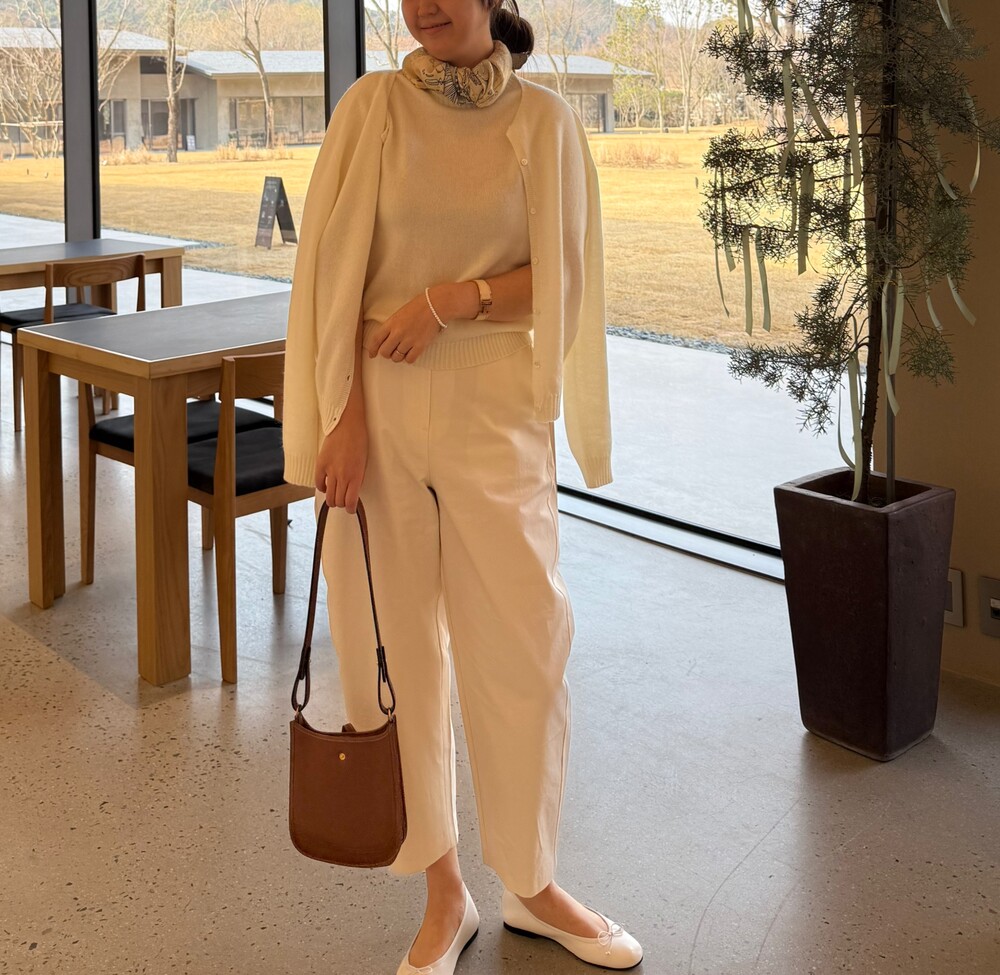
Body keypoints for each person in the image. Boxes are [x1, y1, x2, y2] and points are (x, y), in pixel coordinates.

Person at [282, 1, 642, 972]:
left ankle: (531, 883)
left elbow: (561, 276)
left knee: (524, 645)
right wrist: (340, 418)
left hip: (496, 409)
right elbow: (329, 281)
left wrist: (452, 300)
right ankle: (443, 891)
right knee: (391, 648)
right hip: (377, 408)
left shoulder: (543, 124)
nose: (423, 6)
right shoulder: (371, 111)